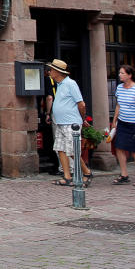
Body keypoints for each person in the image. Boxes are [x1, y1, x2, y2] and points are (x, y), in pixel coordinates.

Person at [45, 59, 91, 187]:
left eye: (52, 70)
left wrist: (82, 119)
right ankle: (67, 176)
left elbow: (81, 104)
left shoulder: (71, 84)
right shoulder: (59, 84)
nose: (50, 72)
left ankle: (86, 173)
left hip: (71, 123)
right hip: (60, 122)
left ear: (58, 72)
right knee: (60, 149)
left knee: (72, 151)